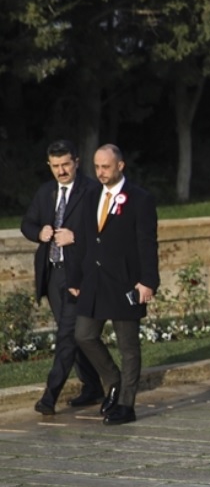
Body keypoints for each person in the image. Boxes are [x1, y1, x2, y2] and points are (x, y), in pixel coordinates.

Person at [67, 144, 159, 425]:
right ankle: (113, 380)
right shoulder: (90, 194)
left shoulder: (140, 199)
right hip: (94, 281)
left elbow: (147, 243)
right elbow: (82, 238)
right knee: (83, 335)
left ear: (121, 166)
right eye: (96, 167)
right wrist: (75, 277)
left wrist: (148, 281)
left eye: (106, 166)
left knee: (128, 347)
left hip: (125, 282)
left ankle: (126, 404)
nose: (101, 172)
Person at [21, 140, 102, 414]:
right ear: (49, 166)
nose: (61, 170)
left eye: (66, 164)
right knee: (76, 335)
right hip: (53, 273)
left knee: (68, 335)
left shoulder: (92, 191)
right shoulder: (45, 192)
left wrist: (76, 237)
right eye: (56, 166)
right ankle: (93, 387)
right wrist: (39, 233)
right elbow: (27, 223)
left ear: (76, 162)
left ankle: (49, 396)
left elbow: (105, 232)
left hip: (79, 275)